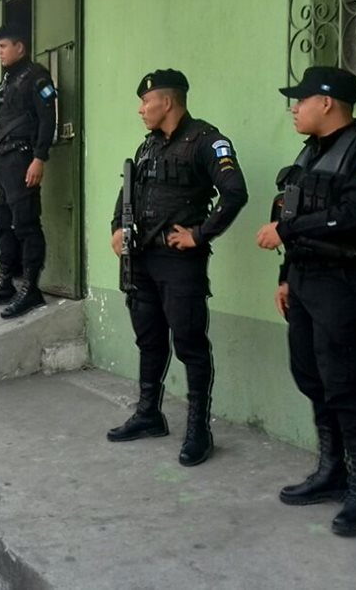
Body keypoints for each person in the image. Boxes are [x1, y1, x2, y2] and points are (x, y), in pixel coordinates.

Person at [256, 66, 356, 537]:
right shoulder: (310, 153)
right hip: (303, 280)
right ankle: (332, 470)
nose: (294, 108)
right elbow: (294, 208)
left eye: (301, 100)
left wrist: (287, 232)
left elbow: (355, 217)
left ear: (327, 102)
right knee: (310, 375)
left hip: (343, 281)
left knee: (344, 383)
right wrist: (285, 276)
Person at [107, 69, 249, 467]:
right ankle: (149, 414)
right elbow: (128, 190)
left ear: (166, 102)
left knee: (189, 345)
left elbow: (235, 193)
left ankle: (198, 429)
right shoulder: (148, 146)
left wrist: (200, 235)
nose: (140, 110)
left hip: (179, 263)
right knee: (149, 340)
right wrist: (117, 226)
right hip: (143, 260)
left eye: (145, 102)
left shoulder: (206, 140)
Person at [0, 24, 57, 319]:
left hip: (22, 161)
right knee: (4, 225)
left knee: (26, 224)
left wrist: (39, 157)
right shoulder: (6, 81)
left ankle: (31, 288)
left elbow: (48, 119)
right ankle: (7, 282)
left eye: (3, 46)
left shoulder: (37, 77)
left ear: (20, 47)